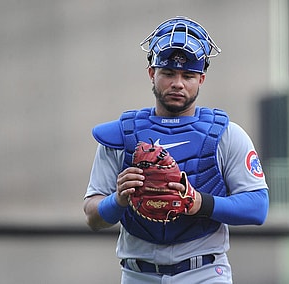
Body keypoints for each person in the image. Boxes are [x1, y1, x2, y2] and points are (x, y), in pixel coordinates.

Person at [83, 16, 269, 284]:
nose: (178, 83)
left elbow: (258, 208)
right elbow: (92, 217)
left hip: (204, 273)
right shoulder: (120, 136)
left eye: (188, 75)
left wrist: (200, 202)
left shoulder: (227, 135)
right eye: (168, 73)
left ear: (201, 79)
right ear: (152, 73)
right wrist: (118, 199)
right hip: (138, 274)